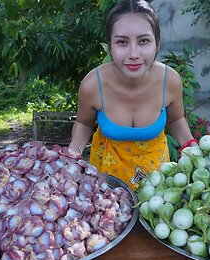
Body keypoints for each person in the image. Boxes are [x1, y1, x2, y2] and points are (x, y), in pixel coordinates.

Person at [68, 0, 197, 190]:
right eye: (122, 42)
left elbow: (176, 119)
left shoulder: (169, 81)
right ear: (110, 46)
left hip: (156, 186)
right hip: (107, 185)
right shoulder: (93, 85)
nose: (133, 53)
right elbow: (84, 123)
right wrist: (72, 156)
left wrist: (191, 146)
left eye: (143, 41)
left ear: (157, 44)